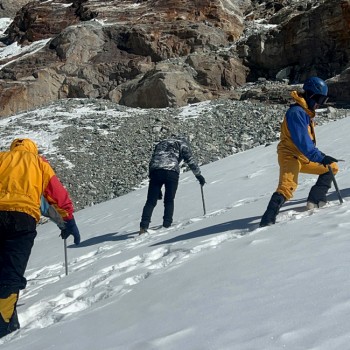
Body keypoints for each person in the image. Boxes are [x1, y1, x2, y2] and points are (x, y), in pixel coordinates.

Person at [0, 138, 80, 338]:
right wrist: (68, 221)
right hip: (23, 220)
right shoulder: (39, 163)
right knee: (12, 271)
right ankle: (3, 324)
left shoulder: (1, 158)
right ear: (33, 149)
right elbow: (56, 196)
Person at [260, 77, 339, 227]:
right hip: (290, 156)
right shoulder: (296, 113)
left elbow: (306, 145)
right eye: (319, 99)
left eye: (323, 100)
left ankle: (315, 200)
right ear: (310, 95)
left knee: (332, 167)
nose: (319, 104)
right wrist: (320, 157)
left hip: (303, 156)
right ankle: (267, 221)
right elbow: (303, 142)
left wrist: (321, 158)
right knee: (287, 187)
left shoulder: (305, 113)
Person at [139, 136, 205, 234]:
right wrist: (198, 175)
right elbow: (190, 160)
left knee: (150, 201)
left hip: (156, 171)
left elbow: (153, 159)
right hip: (171, 172)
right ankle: (167, 224)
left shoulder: (161, 143)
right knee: (169, 200)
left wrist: (152, 177)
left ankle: (143, 227)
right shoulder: (182, 144)